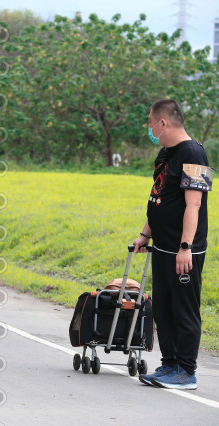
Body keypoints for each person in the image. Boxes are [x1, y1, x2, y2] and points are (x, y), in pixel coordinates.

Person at [135, 100, 211, 390]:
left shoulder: (195, 154)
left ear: (163, 123)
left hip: (184, 251)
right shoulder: (165, 153)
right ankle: (169, 365)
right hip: (163, 246)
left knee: (184, 310)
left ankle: (186, 371)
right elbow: (159, 196)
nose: (149, 128)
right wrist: (145, 233)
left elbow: (194, 205)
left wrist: (185, 247)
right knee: (163, 310)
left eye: (150, 122)